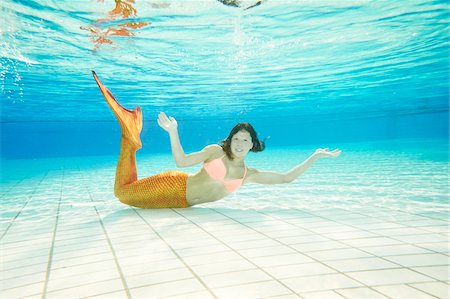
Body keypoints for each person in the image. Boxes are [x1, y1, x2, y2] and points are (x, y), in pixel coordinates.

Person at [92, 71, 342, 208]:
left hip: (183, 205)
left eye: (245, 140)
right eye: (236, 138)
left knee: (125, 193)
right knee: (122, 194)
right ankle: (130, 137)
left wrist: (316, 156)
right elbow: (182, 162)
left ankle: (131, 138)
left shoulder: (249, 174)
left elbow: (286, 178)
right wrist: (173, 132)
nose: (240, 143)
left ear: (253, 145)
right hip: (173, 187)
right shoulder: (215, 152)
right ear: (230, 140)